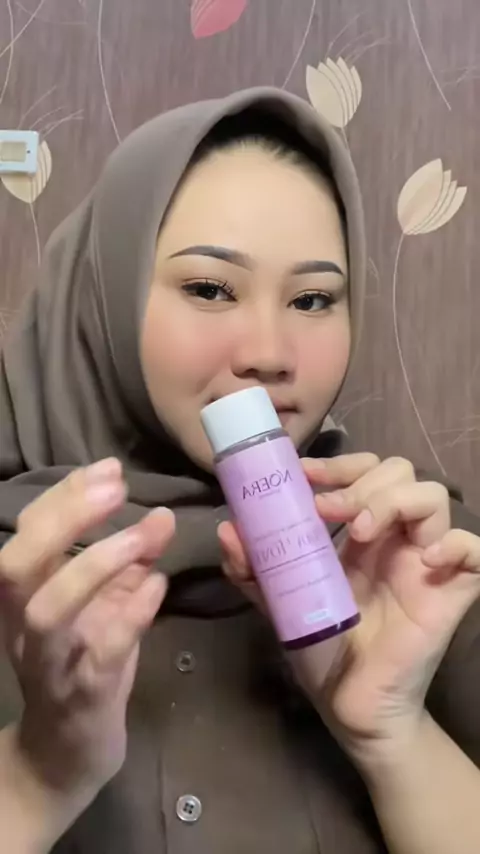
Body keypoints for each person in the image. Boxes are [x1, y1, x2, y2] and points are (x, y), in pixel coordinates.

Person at [0, 87, 479, 854]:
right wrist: (37, 775)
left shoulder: (420, 561)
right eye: (209, 288)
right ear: (103, 300)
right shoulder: (19, 572)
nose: (269, 353)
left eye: (313, 299)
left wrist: (394, 735)